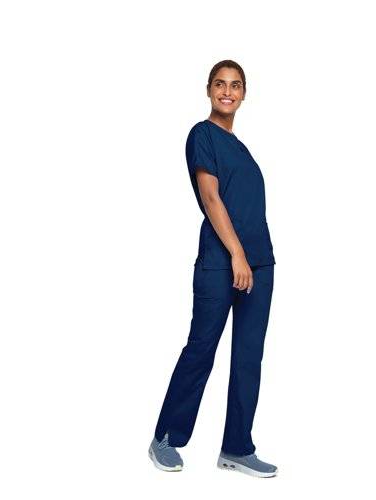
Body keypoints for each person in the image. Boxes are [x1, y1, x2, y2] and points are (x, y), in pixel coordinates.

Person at [148, 60, 278, 478]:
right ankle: (165, 438)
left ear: (244, 94)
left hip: (260, 264)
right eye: (220, 84)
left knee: (248, 358)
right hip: (222, 264)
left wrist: (252, 258)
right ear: (209, 90)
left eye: (235, 85)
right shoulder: (202, 135)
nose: (227, 91)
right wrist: (236, 254)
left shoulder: (241, 147)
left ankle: (237, 448)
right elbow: (210, 198)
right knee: (202, 348)